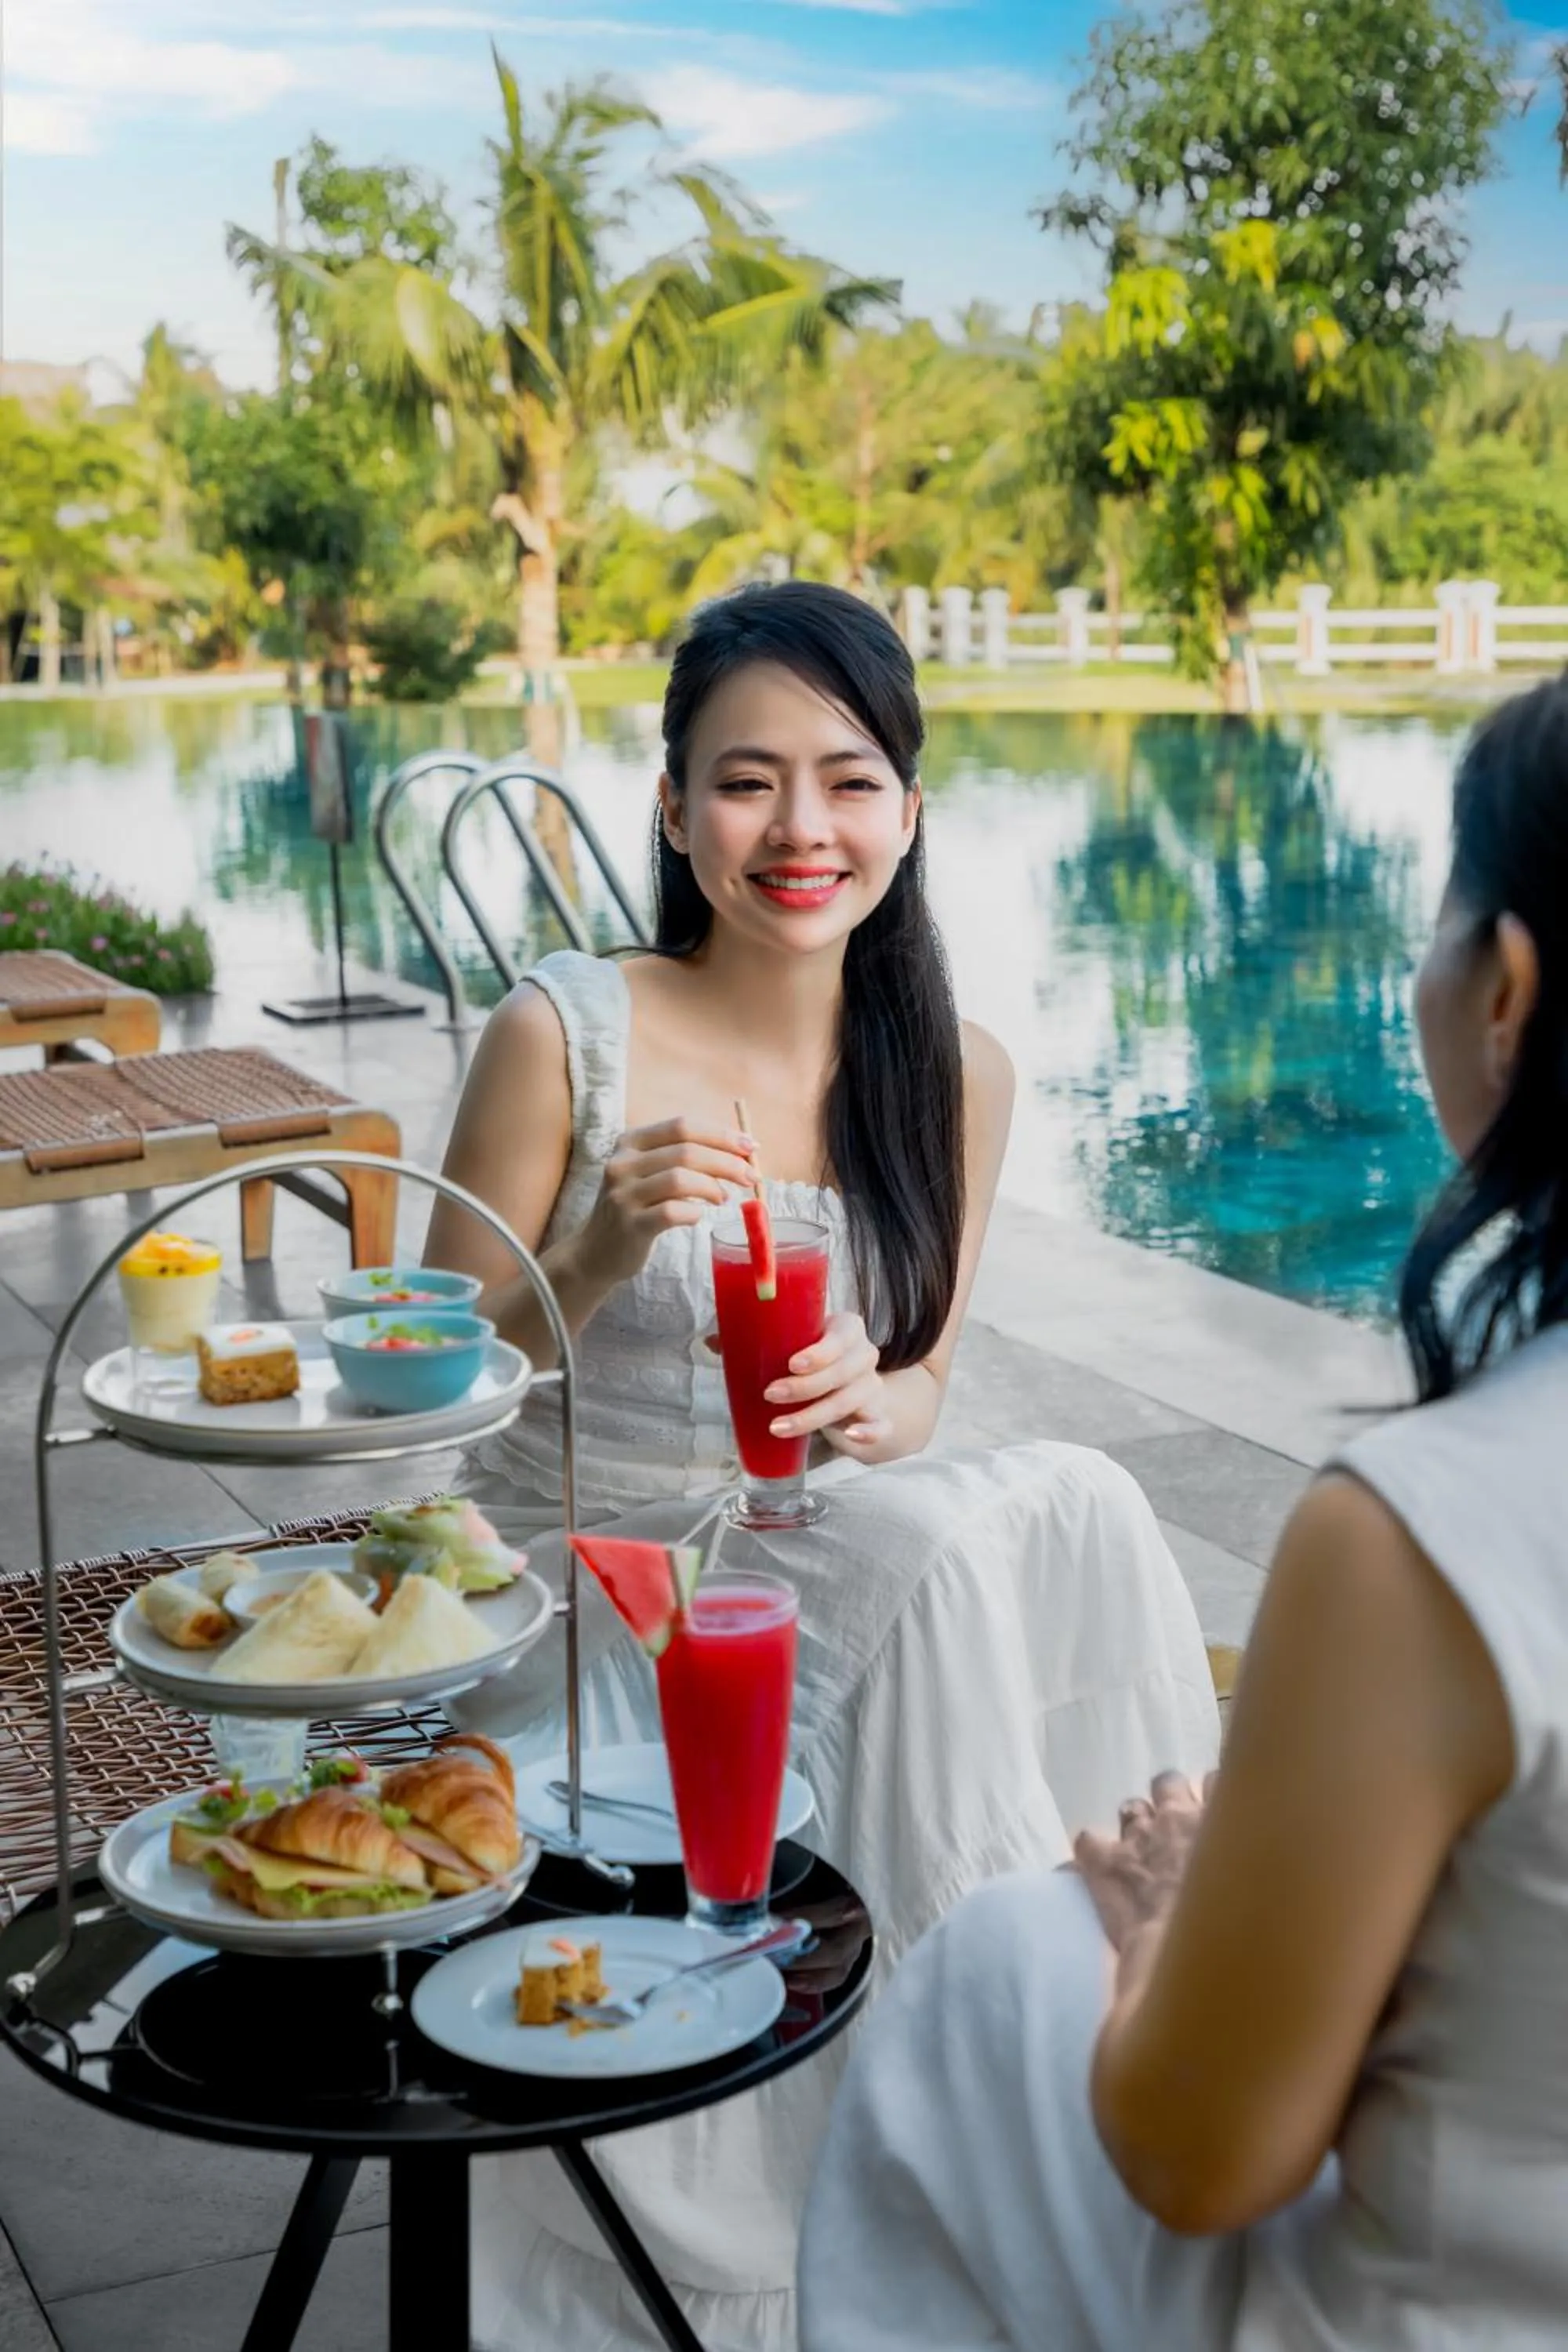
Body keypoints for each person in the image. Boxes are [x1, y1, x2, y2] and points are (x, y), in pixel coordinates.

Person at [423, 581, 1219, 2350]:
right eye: (746, 780)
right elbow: (442, 1393)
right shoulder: (566, 1033)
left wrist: (880, 1394)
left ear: (910, 812)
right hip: (593, 1597)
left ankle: (1116, 2040)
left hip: (826, 1541)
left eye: (850, 781)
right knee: (941, 1562)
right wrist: (601, 1252)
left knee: (1052, 1501)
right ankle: (1007, 2125)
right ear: (670, 805)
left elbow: (926, 1384)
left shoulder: (954, 1073)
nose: (802, 830)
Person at [798, 672, 1568, 2352]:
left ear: (1502, 990)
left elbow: (1193, 2157)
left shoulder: (1423, 1535)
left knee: (999, 1964)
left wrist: (1160, 1923)